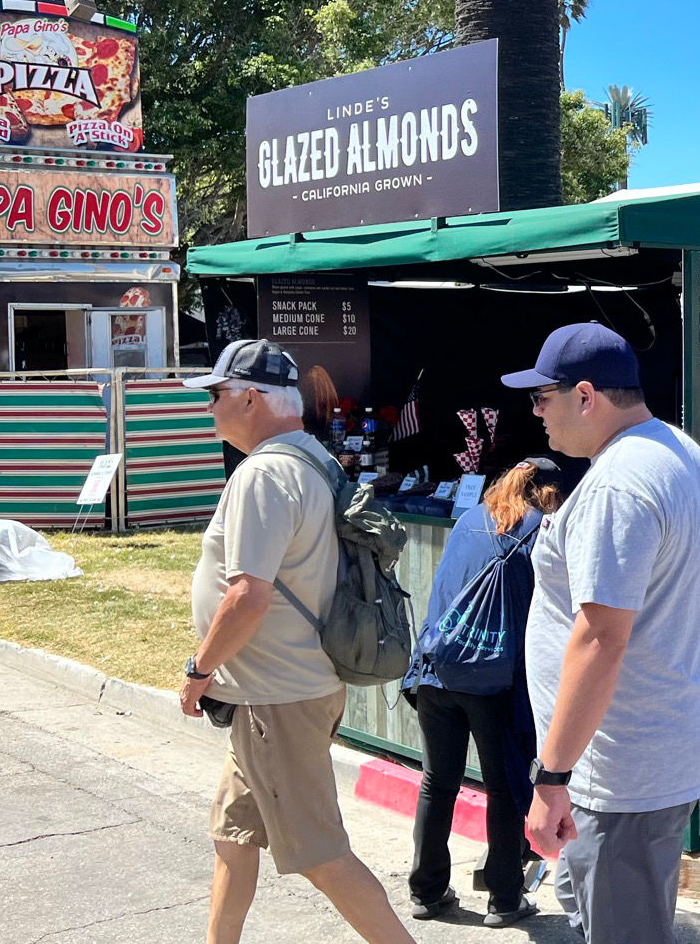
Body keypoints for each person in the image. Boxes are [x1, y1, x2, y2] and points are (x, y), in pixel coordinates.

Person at [179, 339, 413, 944]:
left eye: (215, 396)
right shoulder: (313, 457)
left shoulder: (262, 473)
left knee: (320, 855)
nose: (210, 409)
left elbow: (247, 596)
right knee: (232, 836)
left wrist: (200, 668)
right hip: (279, 691)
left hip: (276, 698)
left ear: (250, 398)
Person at [502, 322, 700, 942]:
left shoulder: (618, 485)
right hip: (647, 748)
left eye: (540, 398)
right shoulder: (676, 449)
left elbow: (601, 638)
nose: (535, 414)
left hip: (620, 769)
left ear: (584, 395)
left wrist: (551, 779)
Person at [400, 457, 573, 928]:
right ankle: (505, 897)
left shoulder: (469, 520)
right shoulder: (543, 531)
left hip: (437, 669)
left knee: (439, 782)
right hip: (494, 680)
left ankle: (427, 891)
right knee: (503, 787)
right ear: (551, 492)